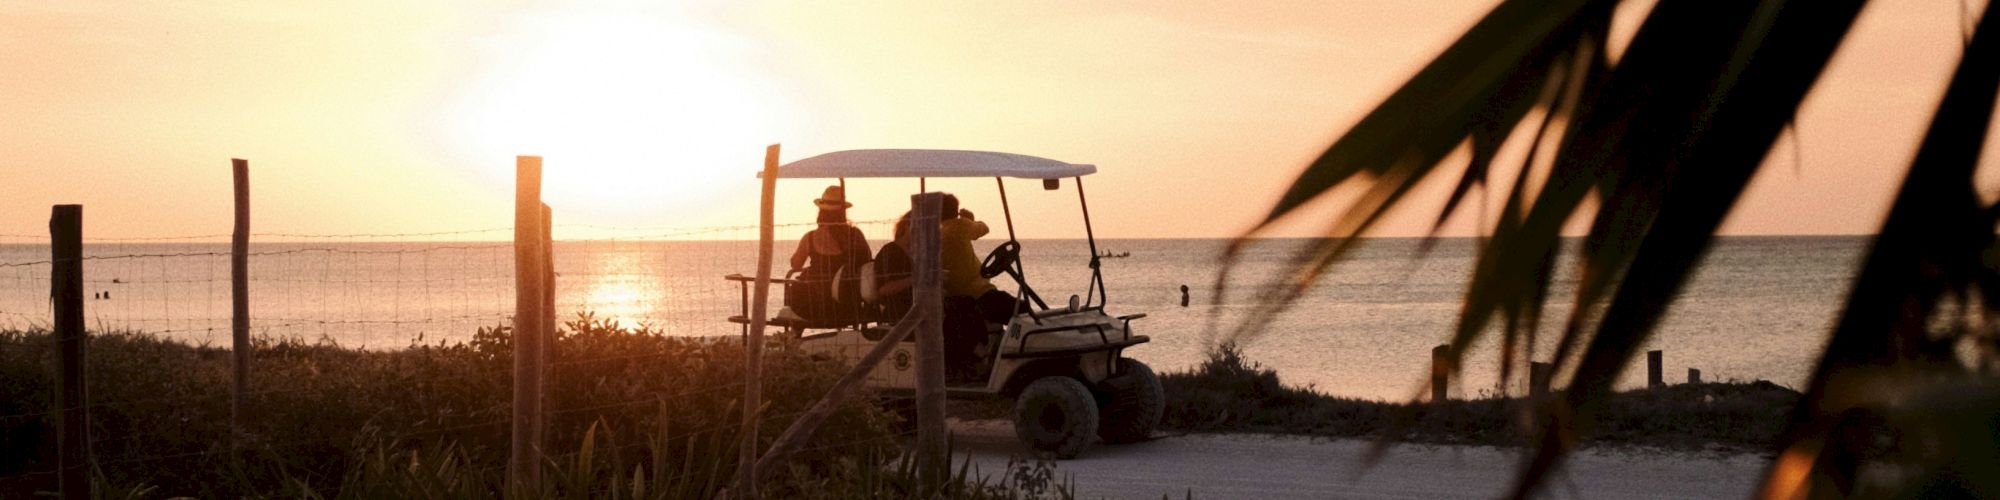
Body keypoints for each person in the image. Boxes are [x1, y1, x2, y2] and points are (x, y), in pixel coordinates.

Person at [785, 186, 871, 325]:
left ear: (821, 212)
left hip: (814, 303)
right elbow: (867, 261)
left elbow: (796, 264)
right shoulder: (855, 235)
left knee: (795, 285)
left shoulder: (811, 237)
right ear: (843, 212)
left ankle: (795, 335)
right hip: (847, 301)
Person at [872, 213, 914, 320]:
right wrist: (915, 279)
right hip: (899, 313)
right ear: (906, 226)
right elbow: (883, 289)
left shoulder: (924, 253)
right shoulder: (890, 252)